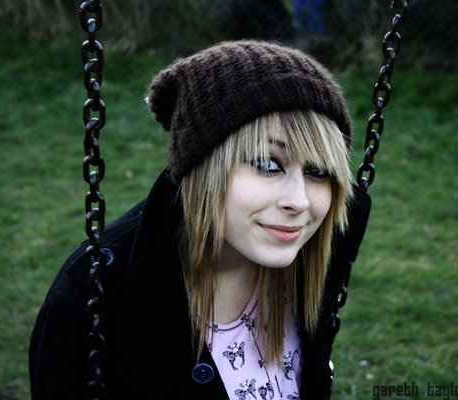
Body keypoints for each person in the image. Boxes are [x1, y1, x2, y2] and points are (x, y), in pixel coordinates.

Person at [29, 39, 370, 399]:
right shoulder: (91, 301)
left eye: (318, 171)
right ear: (203, 166)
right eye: (268, 164)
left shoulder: (312, 259)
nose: (299, 202)